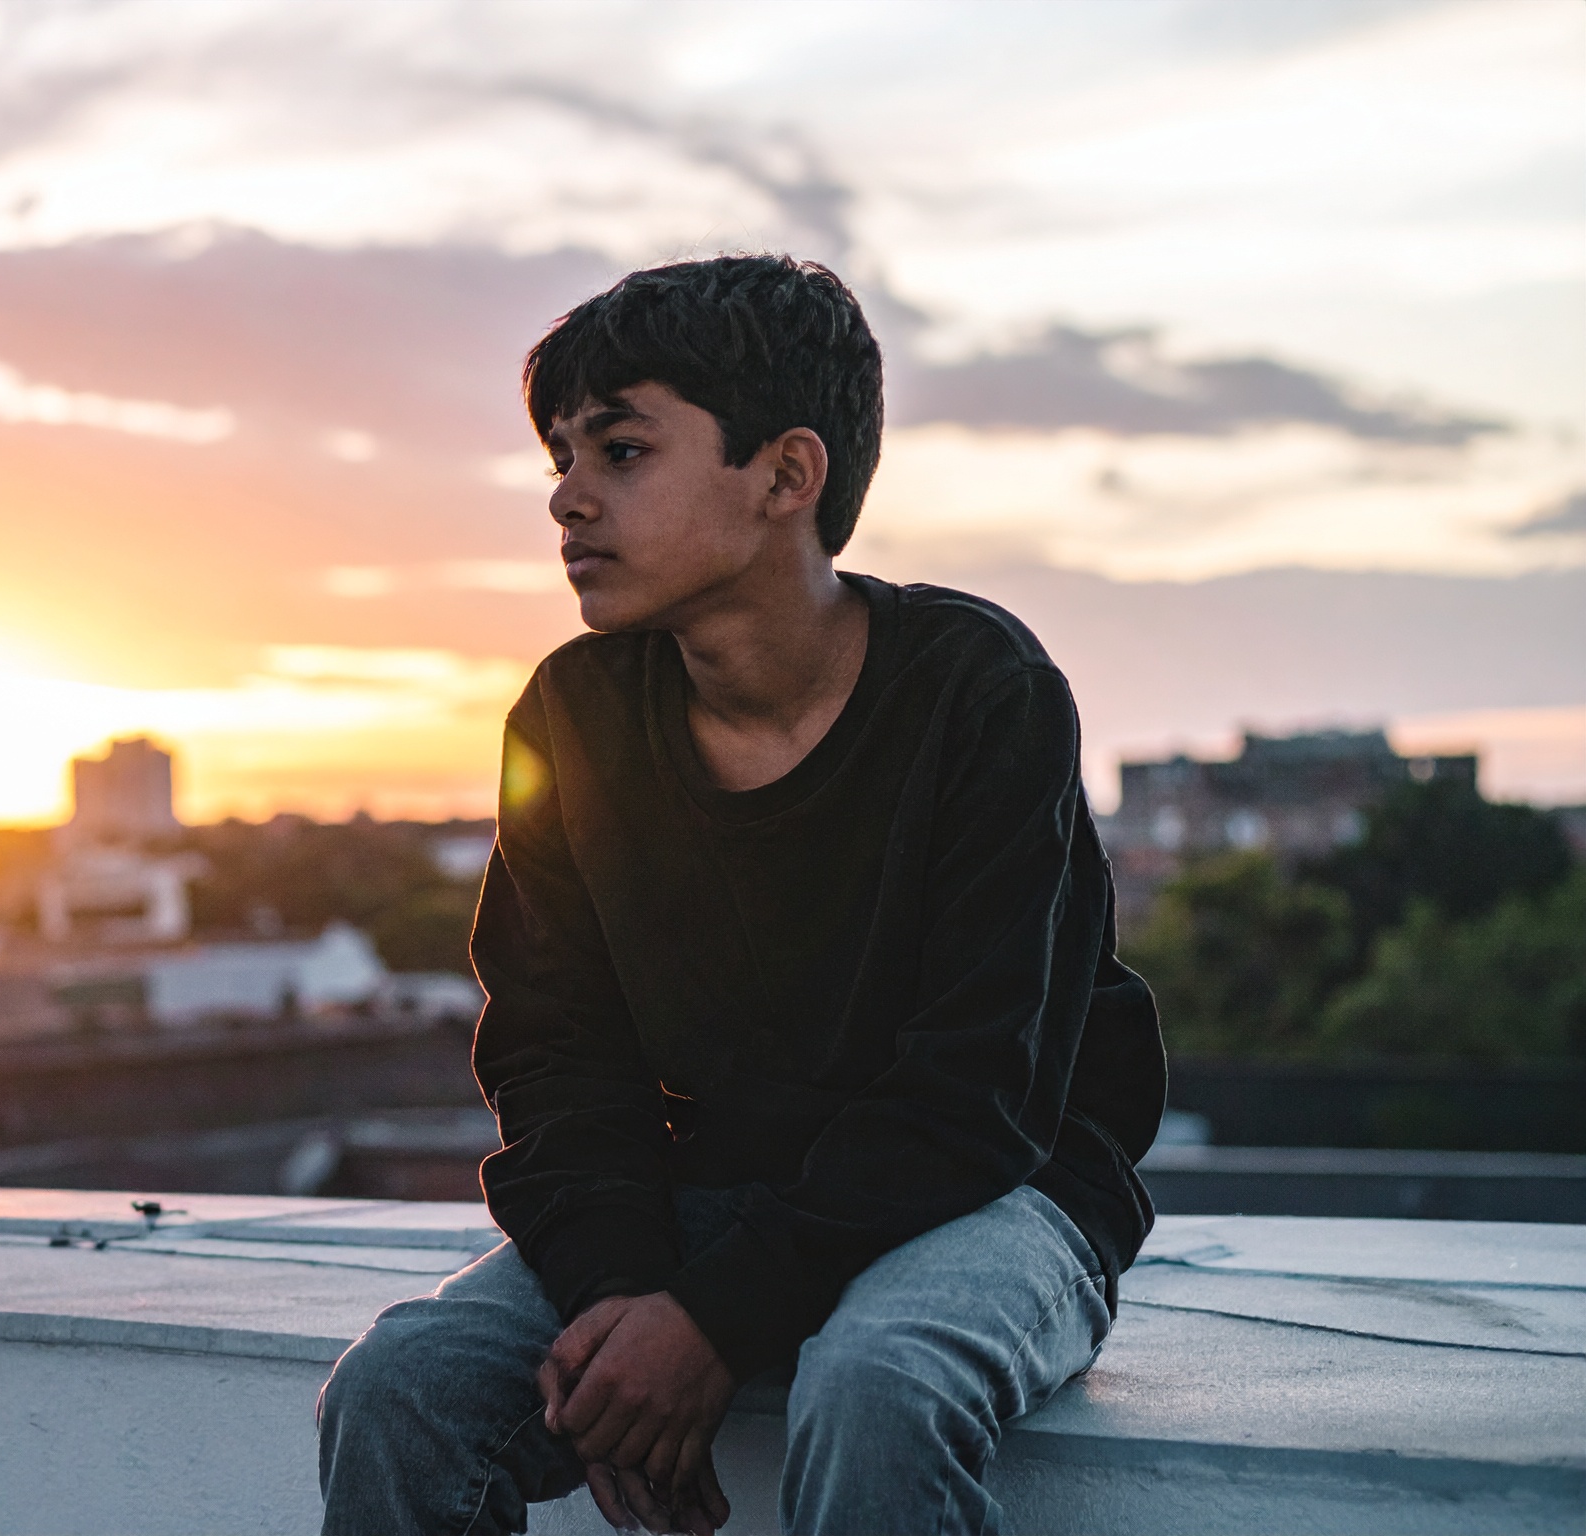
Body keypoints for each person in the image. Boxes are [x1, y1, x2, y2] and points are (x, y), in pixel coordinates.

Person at [314, 255, 1163, 1536]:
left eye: (621, 450)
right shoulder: (574, 712)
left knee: (881, 1388)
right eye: (559, 457)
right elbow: (553, 1051)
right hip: (702, 1199)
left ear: (785, 475)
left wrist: (712, 1322)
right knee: (400, 1389)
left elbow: (981, 1086)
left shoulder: (977, 689)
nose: (566, 498)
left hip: (1004, 1192)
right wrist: (625, 1300)